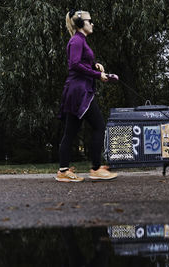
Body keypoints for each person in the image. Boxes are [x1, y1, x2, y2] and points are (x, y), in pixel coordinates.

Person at [56, 9, 118, 182]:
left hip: (78, 90)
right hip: (80, 92)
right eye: (89, 21)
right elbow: (74, 64)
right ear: (81, 24)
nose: (92, 23)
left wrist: (94, 65)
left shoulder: (80, 40)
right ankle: (96, 168)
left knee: (71, 131)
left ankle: (63, 170)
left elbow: (80, 62)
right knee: (99, 125)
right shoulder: (77, 40)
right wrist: (97, 75)